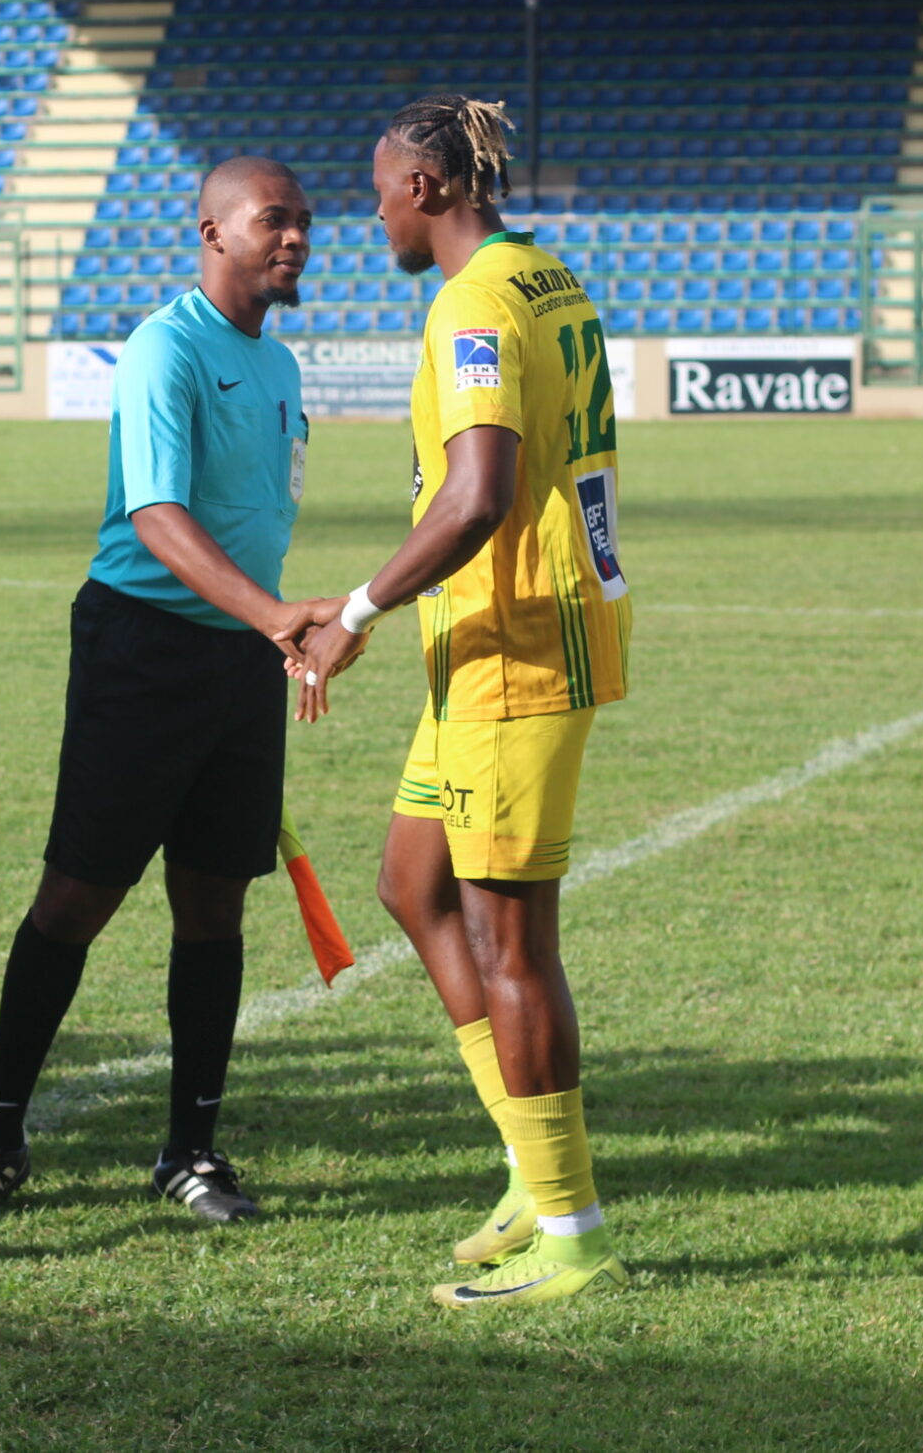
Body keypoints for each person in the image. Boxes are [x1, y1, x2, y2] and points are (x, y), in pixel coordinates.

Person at [0, 157, 315, 1227]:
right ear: (211, 232)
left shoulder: (276, 368)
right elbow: (157, 518)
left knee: (213, 903)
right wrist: (274, 616)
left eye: (304, 223)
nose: (293, 239)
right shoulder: (165, 347)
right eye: (272, 221)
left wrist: (270, 630)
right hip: (141, 650)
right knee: (77, 897)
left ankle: (190, 1151)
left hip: (240, 658)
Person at [291, 96, 630, 1310]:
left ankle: (572, 1228)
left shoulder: (474, 303)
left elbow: (477, 492)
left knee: (510, 945)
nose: (370, 207)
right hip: (501, 641)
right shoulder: (545, 276)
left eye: (380, 185)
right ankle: (527, 1174)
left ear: (427, 188)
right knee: (412, 884)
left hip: (513, 649)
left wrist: (355, 609)